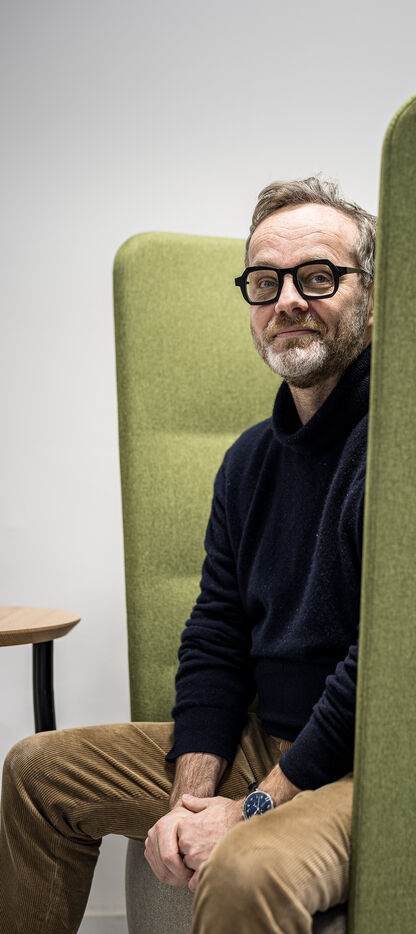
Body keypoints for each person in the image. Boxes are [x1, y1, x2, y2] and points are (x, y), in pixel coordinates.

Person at [0, 175, 375, 934]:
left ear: (370, 298)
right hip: (261, 740)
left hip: (360, 764)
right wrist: (191, 804)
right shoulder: (247, 462)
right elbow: (215, 637)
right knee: (37, 773)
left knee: (245, 866)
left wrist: (255, 807)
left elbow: (380, 664)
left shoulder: (405, 446)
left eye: (317, 276)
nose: (287, 301)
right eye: (265, 282)